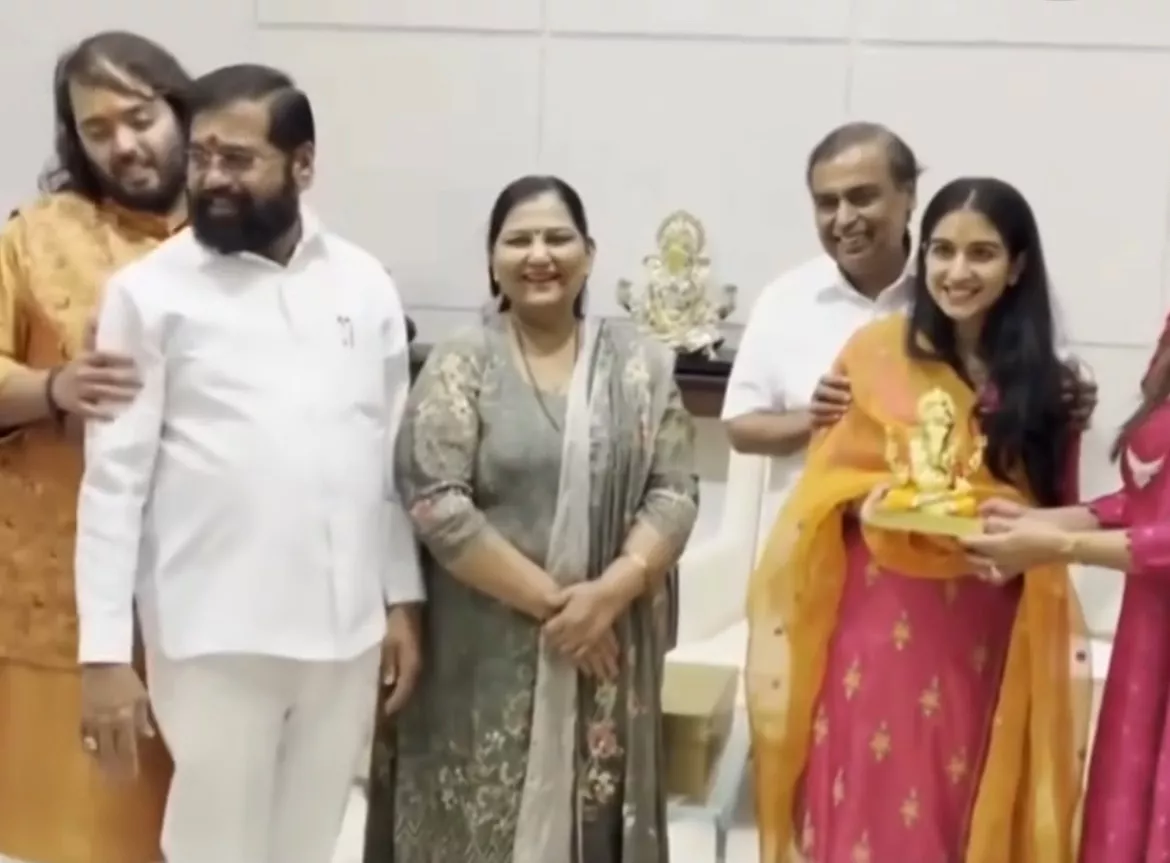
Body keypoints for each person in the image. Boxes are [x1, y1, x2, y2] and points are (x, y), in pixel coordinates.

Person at [72, 64, 423, 863]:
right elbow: (113, 484)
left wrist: (402, 599)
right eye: (200, 157)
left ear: (303, 164)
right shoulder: (148, 293)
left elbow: (388, 460)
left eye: (237, 159)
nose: (211, 178)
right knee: (216, 849)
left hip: (346, 634)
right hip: (214, 635)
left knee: (308, 844)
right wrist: (103, 653)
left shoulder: (363, 283)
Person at [745, 177, 1091, 862]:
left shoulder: (1047, 385)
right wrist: (864, 497)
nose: (957, 272)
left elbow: (1060, 511)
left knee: (957, 794)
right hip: (881, 610)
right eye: (941, 250)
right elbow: (827, 476)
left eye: (981, 253)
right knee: (871, 788)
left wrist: (1026, 533)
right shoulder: (873, 354)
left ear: (1017, 265)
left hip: (987, 615)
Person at [363, 174, 699, 863]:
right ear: (492, 261)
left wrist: (609, 596)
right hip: (479, 650)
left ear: (589, 254)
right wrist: (563, 610)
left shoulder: (639, 368)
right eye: (518, 240)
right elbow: (436, 502)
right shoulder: (462, 363)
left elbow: (674, 492)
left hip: (608, 644)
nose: (539, 255)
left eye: (556, 238)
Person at [0, 31, 191, 863]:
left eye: (139, 118)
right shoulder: (36, 237)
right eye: (97, 129)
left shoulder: (240, 237)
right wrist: (53, 388)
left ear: (181, 111)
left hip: (215, 599)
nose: (124, 143)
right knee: (80, 838)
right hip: (62, 595)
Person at [723, 122, 1097, 502]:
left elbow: (1042, 391)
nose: (845, 218)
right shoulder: (784, 299)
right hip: (819, 524)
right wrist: (819, 418)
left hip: (961, 525)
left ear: (909, 195)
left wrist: (1068, 397)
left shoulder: (959, 293)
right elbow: (740, 427)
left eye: (862, 197)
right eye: (827, 203)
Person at [961, 345, 1170, 860]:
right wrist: (1039, 520)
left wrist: (1058, 545)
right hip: (1148, 635)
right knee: (1129, 792)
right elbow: (1143, 503)